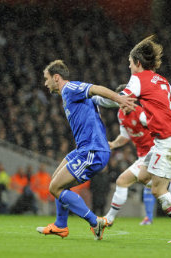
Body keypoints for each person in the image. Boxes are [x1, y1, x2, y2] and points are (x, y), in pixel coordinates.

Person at [36, 60, 136, 240]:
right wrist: (118, 101)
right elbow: (99, 100)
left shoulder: (70, 88)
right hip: (84, 149)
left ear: (56, 77)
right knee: (57, 183)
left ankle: (94, 221)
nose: (45, 83)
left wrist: (120, 98)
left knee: (55, 188)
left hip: (93, 150)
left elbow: (96, 89)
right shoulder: (69, 95)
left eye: (47, 78)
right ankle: (60, 226)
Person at [122, 35, 171, 243]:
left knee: (158, 189)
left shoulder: (138, 78)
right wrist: (162, 111)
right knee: (145, 177)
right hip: (170, 136)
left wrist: (96, 96)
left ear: (138, 63)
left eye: (130, 63)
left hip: (168, 138)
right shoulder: (161, 79)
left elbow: (124, 98)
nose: (129, 67)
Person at [94, 86, 171, 228]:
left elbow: (163, 127)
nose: (121, 105)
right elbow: (125, 136)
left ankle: (109, 219)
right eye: (119, 101)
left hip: (153, 153)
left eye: (123, 101)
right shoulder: (121, 114)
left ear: (131, 100)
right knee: (155, 184)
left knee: (123, 181)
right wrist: (113, 144)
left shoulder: (142, 115)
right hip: (144, 156)